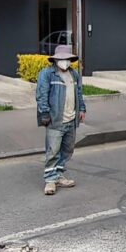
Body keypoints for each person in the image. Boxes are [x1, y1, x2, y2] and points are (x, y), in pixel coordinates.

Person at [36, 45, 86, 195]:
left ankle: (58, 175)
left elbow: (79, 93)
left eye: (67, 59)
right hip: (55, 120)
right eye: (62, 59)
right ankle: (50, 180)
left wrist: (82, 109)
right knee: (53, 151)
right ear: (56, 60)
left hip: (71, 120)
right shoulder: (47, 74)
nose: (65, 62)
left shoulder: (74, 74)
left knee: (67, 150)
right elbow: (41, 95)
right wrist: (45, 113)